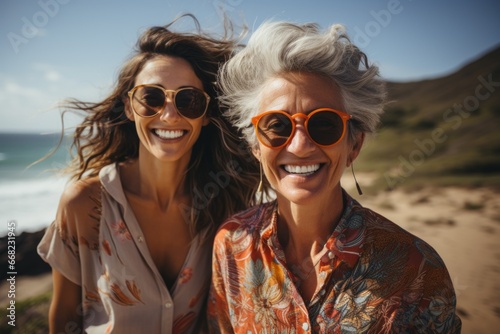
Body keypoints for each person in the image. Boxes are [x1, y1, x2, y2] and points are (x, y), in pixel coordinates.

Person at [207, 21, 462, 333]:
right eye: (277, 125)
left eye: (324, 124)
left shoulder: (418, 270)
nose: (299, 146)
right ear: (256, 147)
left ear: (354, 145)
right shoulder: (231, 245)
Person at [37, 15, 259, 334]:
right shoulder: (85, 205)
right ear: (130, 107)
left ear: (206, 114)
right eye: (151, 97)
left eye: (188, 100)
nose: (169, 115)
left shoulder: (224, 205)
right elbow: (62, 322)